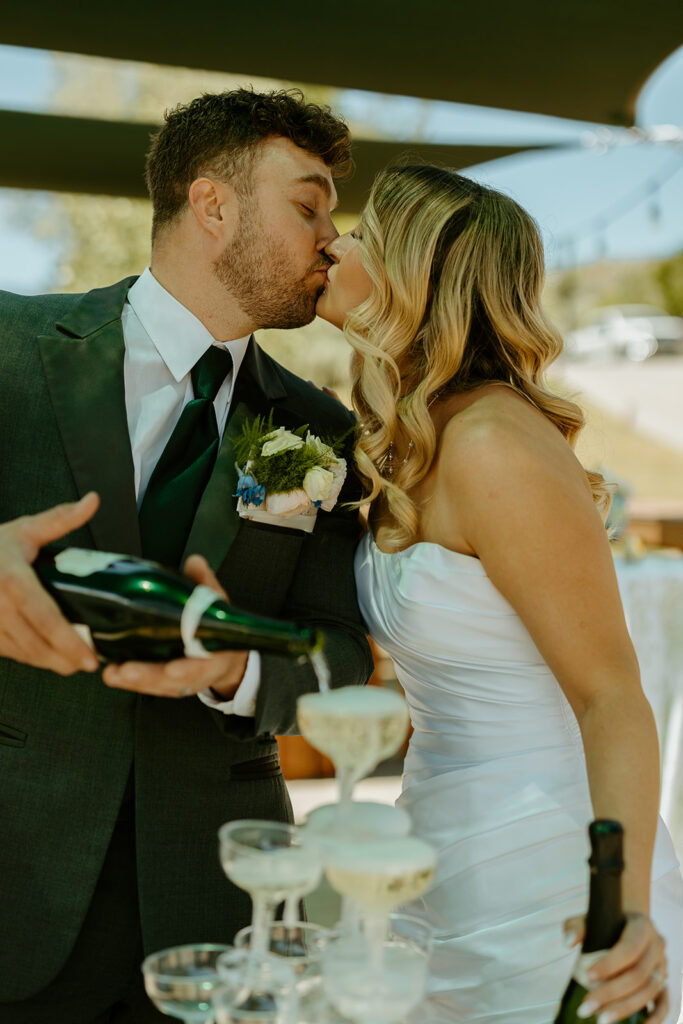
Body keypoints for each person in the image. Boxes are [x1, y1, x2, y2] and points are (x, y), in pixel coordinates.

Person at [0, 88, 373, 1023]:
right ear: (212, 205)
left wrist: (241, 668)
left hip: (217, 897)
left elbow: (339, 652)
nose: (333, 239)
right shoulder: (11, 348)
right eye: (308, 205)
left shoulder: (320, 429)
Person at [316, 164, 683, 1023]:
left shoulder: (490, 444)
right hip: (438, 843)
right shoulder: (415, 436)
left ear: (413, 272)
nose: (333, 242)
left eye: (360, 233)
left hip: (544, 865)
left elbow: (611, 697)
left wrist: (618, 911)